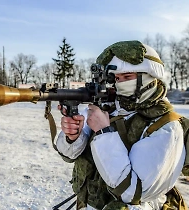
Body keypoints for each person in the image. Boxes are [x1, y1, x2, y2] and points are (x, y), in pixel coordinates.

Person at [55, 40, 188, 210]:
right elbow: (69, 155)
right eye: (117, 78)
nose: (120, 83)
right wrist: (73, 136)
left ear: (149, 75)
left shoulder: (166, 127)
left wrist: (104, 132)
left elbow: (132, 193)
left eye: (127, 77)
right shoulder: (110, 109)